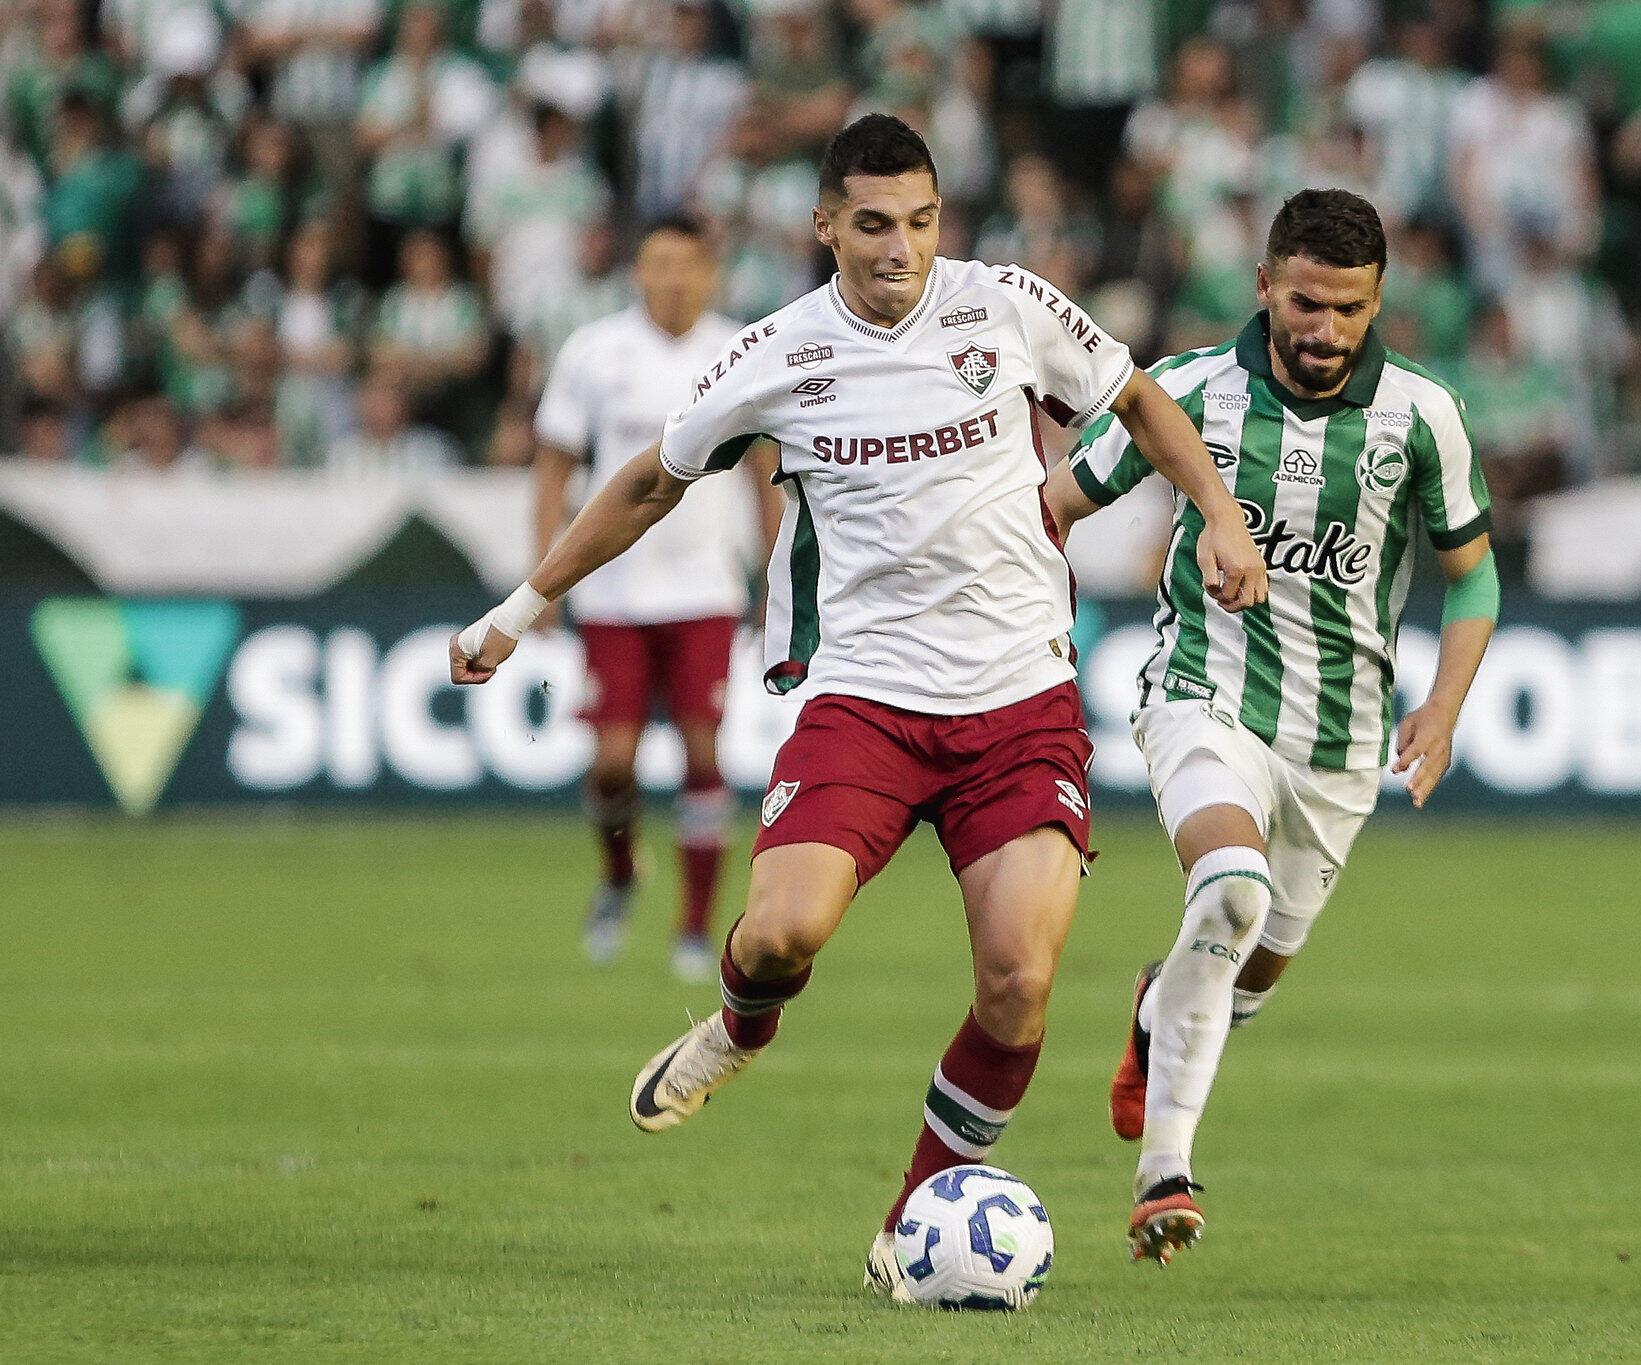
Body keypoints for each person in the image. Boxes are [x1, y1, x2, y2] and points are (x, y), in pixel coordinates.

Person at [449, 114, 1266, 1294]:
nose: (900, 248)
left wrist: (1223, 512)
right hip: (862, 699)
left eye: (921, 222)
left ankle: (909, 1224)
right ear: (823, 223)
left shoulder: (1006, 305)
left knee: (1018, 985)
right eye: (873, 224)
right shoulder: (776, 353)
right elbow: (645, 482)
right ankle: (737, 1023)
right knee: (780, 937)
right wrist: (517, 610)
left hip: (1017, 701)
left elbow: (1137, 402)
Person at [1043, 188, 1500, 1264]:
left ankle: (1162, 1011)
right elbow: (1052, 510)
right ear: (1263, 287)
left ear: (1377, 300)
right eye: (1304, 303)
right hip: (1204, 695)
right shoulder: (1189, 393)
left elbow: (1472, 581)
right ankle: (1165, 1176)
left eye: (1347, 309)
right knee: (1229, 890)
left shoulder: (1422, 416)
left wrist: (1441, 703)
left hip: (1341, 742)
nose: (1323, 331)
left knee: (1246, 968)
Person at [529, 215, 779, 980]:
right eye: (658, 262)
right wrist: (543, 580)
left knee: (705, 749)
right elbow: (552, 473)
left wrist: (775, 574)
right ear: (638, 271)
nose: (673, 277)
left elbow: (766, 472)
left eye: (687, 264)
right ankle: (616, 875)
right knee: (612, 763)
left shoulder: (741, 352)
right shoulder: (593, 354)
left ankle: (697, 928)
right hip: (612, 591)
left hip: (705, 585)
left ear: (710, 274)